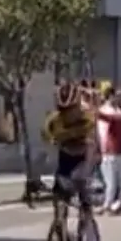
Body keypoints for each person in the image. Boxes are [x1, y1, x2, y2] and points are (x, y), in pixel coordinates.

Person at [42, 82, 97, 213]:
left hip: (83, 160)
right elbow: (46, 137)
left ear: (78, 106)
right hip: (64, 159)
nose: (67, 114)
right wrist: (52, 142)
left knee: (83, 190)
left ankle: (87, 223)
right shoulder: (53, 121)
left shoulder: (87, 119)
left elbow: (94, 144)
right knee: (59, 197)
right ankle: (60, 224)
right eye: (62, 110)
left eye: (71, 109)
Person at [96, 87, 121, 215]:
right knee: (119, 180)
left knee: (112, 180)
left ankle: (109, 204)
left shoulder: (116, 115)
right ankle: (118, 204)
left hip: (111, 151)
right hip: (116, 150)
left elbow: (101, 117)